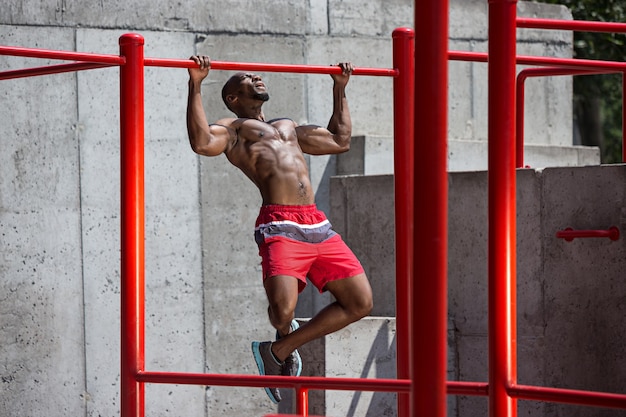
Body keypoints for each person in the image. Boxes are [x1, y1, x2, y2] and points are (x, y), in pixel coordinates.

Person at [186, 55, 373, 404]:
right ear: (232, 97)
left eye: (257, 74)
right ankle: (283, 335)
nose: (257, 75)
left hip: (317, 223)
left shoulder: (288, 127)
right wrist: (195, 84)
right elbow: (200, 142)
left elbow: (338, 140)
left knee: (360, 302)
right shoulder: (234, 130)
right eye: (246, 77)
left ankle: (279, 349)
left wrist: (339, 89)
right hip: (280, 225)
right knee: (282, 313)